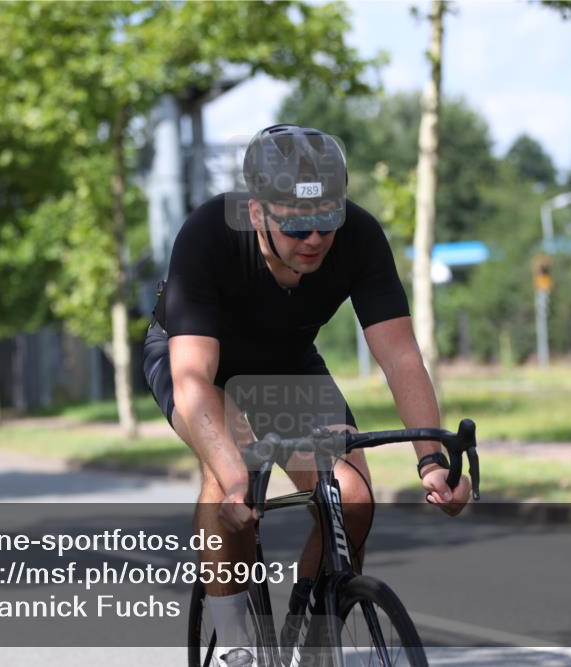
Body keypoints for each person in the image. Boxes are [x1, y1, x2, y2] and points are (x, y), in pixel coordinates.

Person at [142, 124, 472, 666]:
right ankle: (233, 644)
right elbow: (194, 381)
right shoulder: (208, 235)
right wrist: (230, 478)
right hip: (198, 361)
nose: (316, 239)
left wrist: (432, 463)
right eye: (298, 228)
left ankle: (314, 647)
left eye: (327, 221)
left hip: (285, 363)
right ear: (257, 214)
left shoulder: (360, 236)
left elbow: (400, 357)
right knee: (235, 471)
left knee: (354, 499)